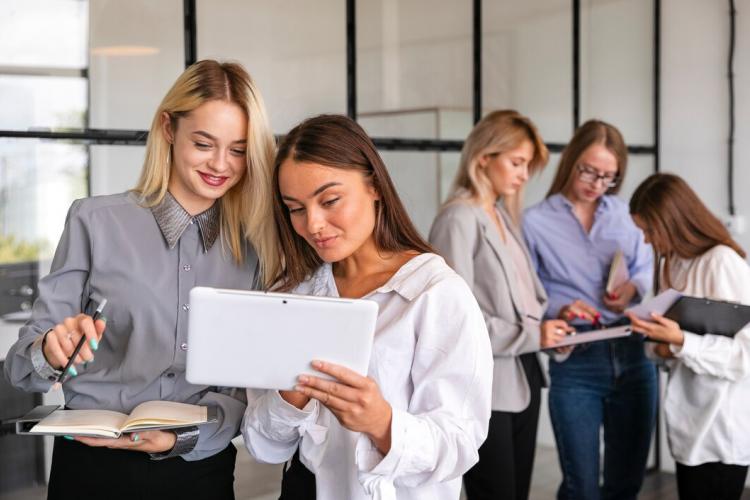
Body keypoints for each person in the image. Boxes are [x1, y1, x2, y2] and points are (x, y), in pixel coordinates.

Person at [3, 59, 277, 500]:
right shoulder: (94, 222)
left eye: (239, 150)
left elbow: (249, 391)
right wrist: (50, 352)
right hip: (92, 470)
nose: (221, 164)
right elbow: (21, 369)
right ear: (168, 128)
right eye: (204, 143)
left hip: (198, 471)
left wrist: (180, 439)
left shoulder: (256, 249)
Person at [241, 114, 493, 499]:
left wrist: (383, 423)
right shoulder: (292, 294)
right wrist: (290, 397)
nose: (313, 224)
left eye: (330, 200)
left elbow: (461, 443)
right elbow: (264, 446)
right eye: (295, 208)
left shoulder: (435, 293)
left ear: (374, 185)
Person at [429, 110, 573, 500]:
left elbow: (525, 298)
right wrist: (534, 334)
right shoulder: (459, 218)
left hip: (523, 373)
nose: (525, 175)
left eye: (528, 165)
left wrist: (552, 325)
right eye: (517, 163)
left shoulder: (502, 216)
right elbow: (457, 322)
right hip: (486, 386)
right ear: (483, 158)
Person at [522, 120, 656, 500]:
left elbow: (645, 268)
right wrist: (561, 307)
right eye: (589, 171)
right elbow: (527, 291)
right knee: (580, 488)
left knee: (626, 484)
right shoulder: (534, 221)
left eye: (609, 177)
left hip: (632, 350)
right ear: (571, 161)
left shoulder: (626, 215)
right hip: (577, 358)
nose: (597, 184)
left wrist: (633, 287)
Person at [626, 173, 750, 500]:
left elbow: (746, 356)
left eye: (650, 231)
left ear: (674, 222)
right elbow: (668, 345)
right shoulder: (675, 264)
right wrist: (661, 345)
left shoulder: (722, 262)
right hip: (689, 429)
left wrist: (681, 342)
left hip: (719, 433)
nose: (648, 242)